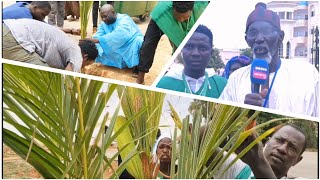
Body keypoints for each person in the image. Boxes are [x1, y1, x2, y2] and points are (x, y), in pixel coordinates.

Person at [219, 3, 319, 117]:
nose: (259, 39)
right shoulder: (236, 79)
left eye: (266, 31)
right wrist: (243, 113)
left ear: (280, 37)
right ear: (247, 40)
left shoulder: (307, 75)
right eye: (253, 33)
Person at [136, 1, 209, 84]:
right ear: (173, 9)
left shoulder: (200, 8)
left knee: (181, 47)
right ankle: (140, 77)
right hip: (163, 18)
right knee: (148, 45)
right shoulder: (162, 11)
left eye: (184, 17)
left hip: (187, 23)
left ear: (192, 10)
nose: (181, 20)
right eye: (178, 17)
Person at [156, 25, 227, 98]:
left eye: (202, 48)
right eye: (189, 47)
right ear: (182, 50)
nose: (195, 53)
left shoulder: (224, 86)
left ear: (211, 52)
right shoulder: (162, 85)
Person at [3, 18, 98, 72]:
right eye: (87, 64)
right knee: (44, 76)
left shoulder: (67, 43)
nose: (83, 67)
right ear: (85, 57)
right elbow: (67, 78)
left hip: (8, 28)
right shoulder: (77, 54)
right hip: (13, 37)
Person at [80, 4, 143, 69]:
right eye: (102, 17)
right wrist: (92, 41)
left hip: (129, 46)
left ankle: (137, 66)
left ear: (113, 13)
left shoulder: (125, 19)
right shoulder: (103, 24)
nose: (103, 19)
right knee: (95, 46)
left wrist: (99, 40)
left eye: (105, 16)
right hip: (112, 46)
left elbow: (121, 34)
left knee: (139, 41)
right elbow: (98, 35)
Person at [238, 124, 307, 179]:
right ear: (267, 142)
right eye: (279, 140)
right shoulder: (238, 169)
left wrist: (257, 161)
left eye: (292, 148)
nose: (282, 149)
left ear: (297, 160)